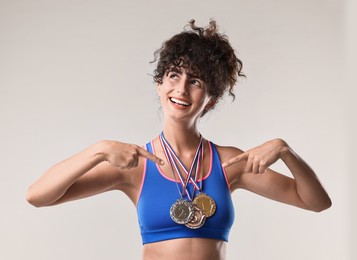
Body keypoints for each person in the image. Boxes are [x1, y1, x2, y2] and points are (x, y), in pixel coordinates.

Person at [26, 19, 331, 260]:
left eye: (195, 81)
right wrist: (99, 150)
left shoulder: (229, 163)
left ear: (211, 99)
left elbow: (316, 202)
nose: (182, 90)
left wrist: (284, 150)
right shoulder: (135, 166)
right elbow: (38, 195)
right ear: (159, 85)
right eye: (173, 75)